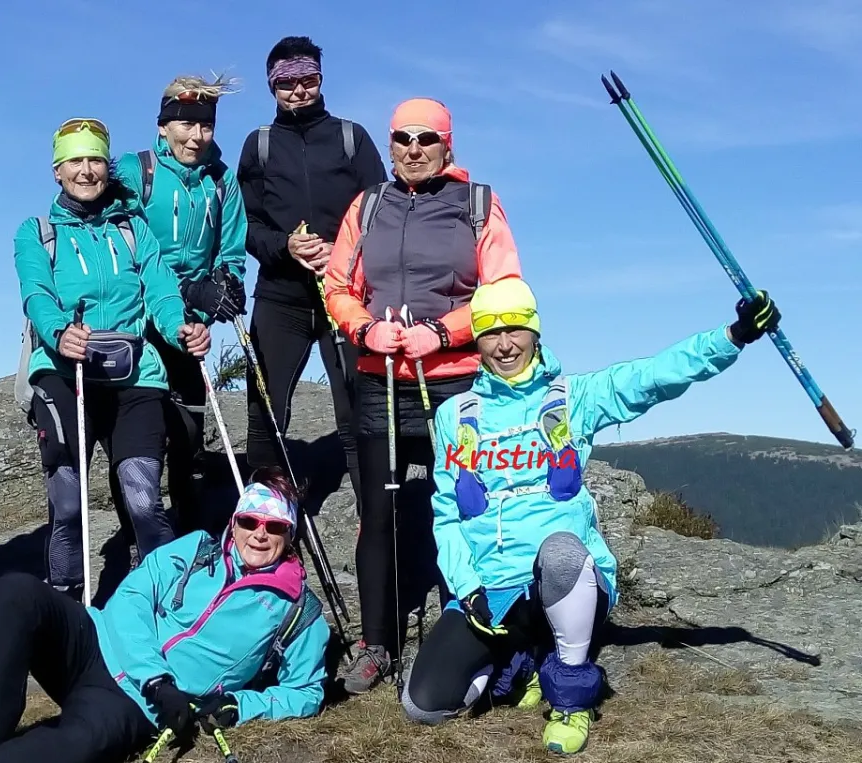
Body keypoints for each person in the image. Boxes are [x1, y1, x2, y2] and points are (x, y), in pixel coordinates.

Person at [401, 276, 782, 754]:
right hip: (492, 589)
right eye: (491, 332)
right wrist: (467, 586)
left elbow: (653, 377)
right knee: (425, 706)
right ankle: (522, 662)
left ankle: (570, 694)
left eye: (515, 329)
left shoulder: (573, 397)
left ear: (535, 332)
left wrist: (732, 337)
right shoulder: (455, 416)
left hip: (564, 579)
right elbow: (447, 512)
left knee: (560, 552)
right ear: (476, 339)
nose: (504, 344)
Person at [323, 96, 522, 693]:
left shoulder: (478, 204)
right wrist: (364, 329)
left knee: (467, 507)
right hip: (380, 376)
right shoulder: (368, 205)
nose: (413, 149)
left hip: (457, 379)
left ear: (447, 145)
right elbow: (337, 286)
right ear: (390, 145)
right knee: (377, 515)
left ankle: (470, 634)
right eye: (402, 139)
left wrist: (442, 331)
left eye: (426, 138)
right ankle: (376, 646)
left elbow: (505, 292)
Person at [0, 467, 330, 762]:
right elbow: (131, 597)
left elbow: (306, 691)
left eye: (274, 526)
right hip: (94, 643)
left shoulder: (298, 610)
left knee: (78, 744)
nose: (259, 534)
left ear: (289, 534)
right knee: (15, 593)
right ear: (235, 521)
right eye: (249, 520)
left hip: (137, 706)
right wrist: (155, 678)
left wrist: (240, 705)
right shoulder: (197, 549)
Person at [14, 116, 212, 599]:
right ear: (57, 171)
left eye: (95, 160)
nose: (86, 171)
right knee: (67, 504)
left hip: (135, 373)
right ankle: (66, 604)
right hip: (65, 372)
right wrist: (59, 332)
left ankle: (166, 599)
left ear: (108, 166)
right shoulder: (36, 233)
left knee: (143, 499)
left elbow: (161, 290)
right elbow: (36, 293)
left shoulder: (133, 229)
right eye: (75, 161)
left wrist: (179, 327)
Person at [236, 35, 387, 502]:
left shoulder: (351, 138)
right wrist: (286, 245)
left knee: (358, 411)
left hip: (346, 294)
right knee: (265, 411)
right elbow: (245, 224)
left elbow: (380, 212)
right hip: (281, 297)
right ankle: (264, 519)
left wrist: (340, 251)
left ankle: (374, 520)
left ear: (321, 80)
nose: (299, 90)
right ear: (272, 86)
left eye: (309, 79)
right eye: (287, 83)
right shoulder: (259, 145)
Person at [115, 73, 248, 534]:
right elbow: (121, 248)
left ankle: (191, 538)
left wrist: (222, 288)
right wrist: (183, 290)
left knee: (189, 439)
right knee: (141, 441)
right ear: (163, 126)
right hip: (138, 323)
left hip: (191, 327)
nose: (196, 136)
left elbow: (231, 251)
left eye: (205, 126)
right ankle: (140, 539)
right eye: (186, 125)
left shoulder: (222, 180)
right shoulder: (135, 171)